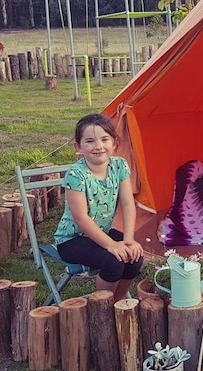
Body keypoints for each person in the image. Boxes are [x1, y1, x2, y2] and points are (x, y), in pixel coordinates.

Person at [54, 113, 144, 301]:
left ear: (114, 143)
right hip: (72, 240)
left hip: (101, 232)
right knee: (113, 261)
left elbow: (128, 203)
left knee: (134, 257)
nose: (98, 146)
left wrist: (128, 240)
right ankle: (101, 308)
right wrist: (111, 245)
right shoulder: (76, 174)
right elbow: (81, 218)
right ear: (78, 147)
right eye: (89, 141)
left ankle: (117, 304)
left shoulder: (119, 166)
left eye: (104, 139)